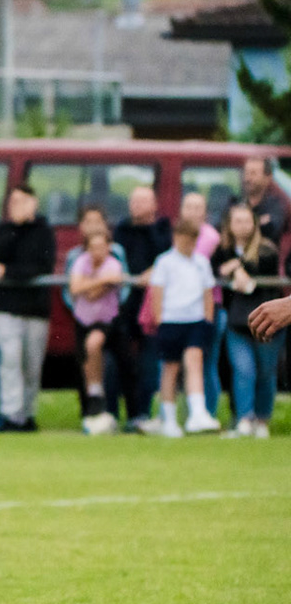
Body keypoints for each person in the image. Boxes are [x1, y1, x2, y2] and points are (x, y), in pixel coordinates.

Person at [0, 184, 55, 432]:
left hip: (35, 310)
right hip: (7, 307)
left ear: (33, 203)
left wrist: (10, 272)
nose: (16, 206)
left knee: (31, 366)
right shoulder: (4, 230)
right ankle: (9, 414)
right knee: (10, 359)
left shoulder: (44, 231)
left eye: (21, 201)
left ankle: (27, 414)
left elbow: (42, 266)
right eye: (13, 201)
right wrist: (16, 228)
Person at [149, 218, 221, 436]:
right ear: (176, 238)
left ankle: (197, 413)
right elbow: (157, 293)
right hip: (171, 320)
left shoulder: (201, 262)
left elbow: (208, 293)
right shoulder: (164, 262)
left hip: (195, 321)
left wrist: (207, 320)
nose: (189, 244)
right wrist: (160, 320)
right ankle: (169, 419)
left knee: (194, 361)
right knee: (170, 369)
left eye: (193, 240)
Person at [214, 202, 281, 438]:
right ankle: (244, 418)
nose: (242, 226)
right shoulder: (223, 250)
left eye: (246, 221)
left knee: (265, 372)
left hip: (267, 320)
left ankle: (262, 420)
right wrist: (234, 269)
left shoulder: (267, 250)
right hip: (238, 321)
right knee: (243, 371)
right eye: (237, 221)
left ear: (254, 224)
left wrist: (236, 267)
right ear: (229, 225)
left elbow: (258, 271)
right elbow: (215, 269)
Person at [113, 185, 170, 431]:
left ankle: (144, 414)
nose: (136, 205)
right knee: (124, 363)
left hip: (153, 305)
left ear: (154, 204)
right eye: (134, 201)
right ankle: (125, 415)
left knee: (149, 363)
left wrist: (153, 273)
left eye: (143, 201)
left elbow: (168, 258)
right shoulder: (121, 230)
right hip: (126, 306)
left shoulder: (162, 230)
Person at [68, 228, 135, 435]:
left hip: (107, 321)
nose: (97, 251)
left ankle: (101, 394)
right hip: (83, 320)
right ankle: (93, 402)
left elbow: (92, 293)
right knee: (84, 360)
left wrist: (88, 283)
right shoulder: (81, 262)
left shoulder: (113, 264)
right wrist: (100, 280)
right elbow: (75, 288)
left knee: (94, 345)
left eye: (101, 247)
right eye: (93, 247)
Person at [178, 191, 227, 419]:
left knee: (206, 363)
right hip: (182, 307)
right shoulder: (178, 234)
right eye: (189, 207)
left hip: (208, 308)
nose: (193, 212)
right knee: (185, 363)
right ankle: (189, 414)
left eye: (198, 207)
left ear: (205, 213)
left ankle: (208, 413)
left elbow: (189, 263)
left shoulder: (209, 237)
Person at [240, 155, 286, 246]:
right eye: (246, 173)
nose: (247, 178)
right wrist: (259, 222)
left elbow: (272, 229)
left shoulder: (276, 205)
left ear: (268, 177)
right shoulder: (236, 203)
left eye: (253, 173)